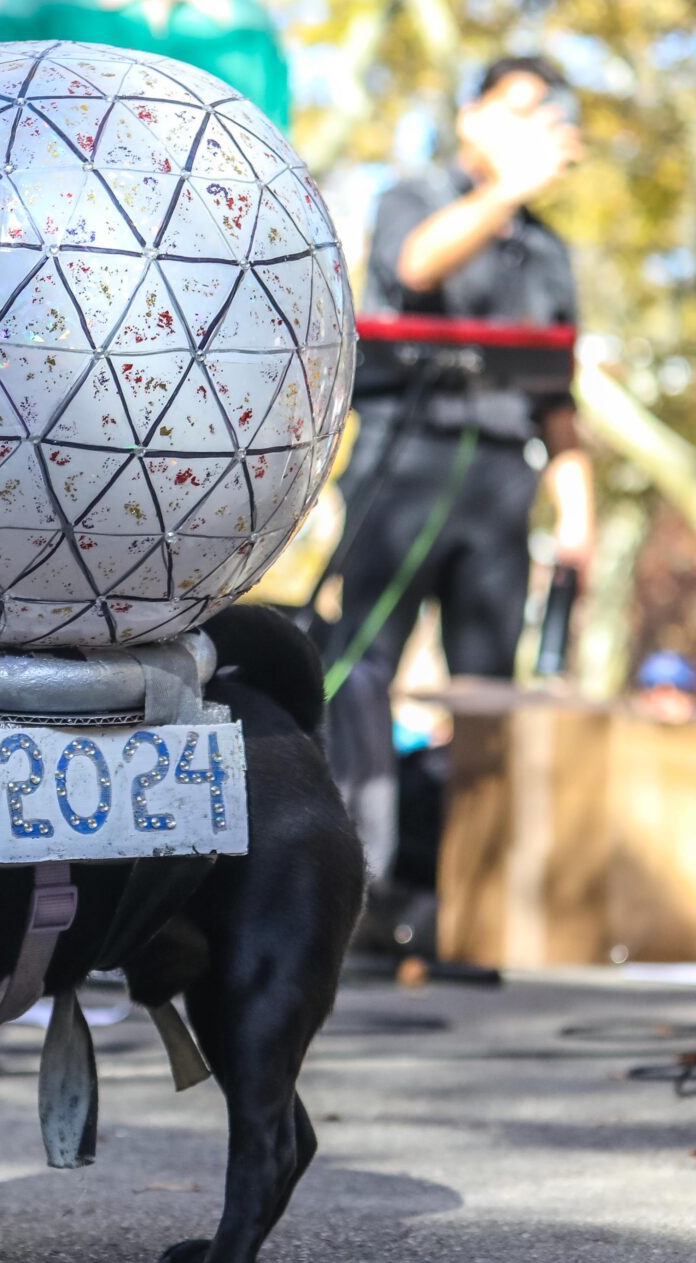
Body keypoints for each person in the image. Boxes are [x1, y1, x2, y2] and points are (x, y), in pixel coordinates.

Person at [326, 55, 592, 925]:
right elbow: (417, 264)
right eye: (517, 108)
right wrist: (508, 185)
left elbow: (557, 391)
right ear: (472, 117)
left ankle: (466, 908)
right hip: (406, 460)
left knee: (490, 689)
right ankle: (345, 892)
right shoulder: (415, 195)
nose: (536, 124)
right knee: (362, 672)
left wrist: (576, 505)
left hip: (500, 481)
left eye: (547, 112)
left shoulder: (548, 249)